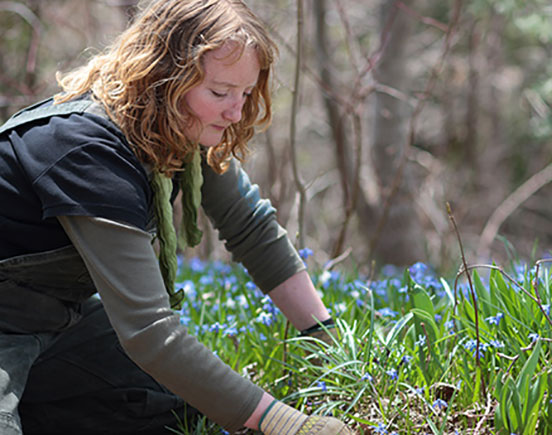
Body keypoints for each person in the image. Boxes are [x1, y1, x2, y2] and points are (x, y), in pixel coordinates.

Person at [0, 0, 354, 434]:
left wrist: (326, 341)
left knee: (181, 408)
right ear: (163, 78)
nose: (236, 112)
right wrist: (283, 423)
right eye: (221, 93)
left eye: (245, 94)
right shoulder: (84, 148)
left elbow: (252, 229)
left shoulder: (179, 130)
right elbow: (149, 332)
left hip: (58, 324)